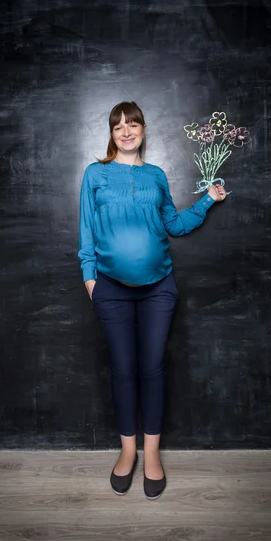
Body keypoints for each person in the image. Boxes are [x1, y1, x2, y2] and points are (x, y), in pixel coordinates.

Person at [78, 101, 226, 499]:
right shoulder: (95, 174)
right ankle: (128, 452)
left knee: (152, 368)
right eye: (119, 126)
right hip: (110, 289)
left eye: (133, 124)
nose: (126, 131)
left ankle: (153, 454)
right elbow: (86, 232)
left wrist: (207, 199)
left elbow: (174, 225)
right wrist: (91, 281)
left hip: (159, 287)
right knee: (123, 370)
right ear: (111, 133)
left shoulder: (156, 176)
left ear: (143, 129)